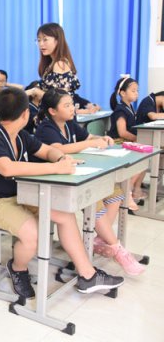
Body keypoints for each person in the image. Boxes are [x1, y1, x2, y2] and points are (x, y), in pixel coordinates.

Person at [0, 88, 124, 299]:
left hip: (17, 194)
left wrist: (61, 158)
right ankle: (18, 268)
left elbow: (47, 150)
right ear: (25, 114)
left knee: (65, 215)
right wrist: (55, 168)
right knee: (32, 233)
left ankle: (88, 275)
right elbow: (7, 168)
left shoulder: (20, 136)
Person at [34, 89, 144, 275]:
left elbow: (88, 137)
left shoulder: (69, 123)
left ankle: (101, 238)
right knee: (95, 201)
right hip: (55, 182)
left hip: (75, 174)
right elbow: (59, 149)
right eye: (67, 105)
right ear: (52, 111)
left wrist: (101, 138)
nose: (72, 108)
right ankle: (117, 249)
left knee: (116, 194)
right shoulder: (46, 128)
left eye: (72, 104)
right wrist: (90, 144)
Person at [108, 77, 146, 201]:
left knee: (144, 160)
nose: (136, 93)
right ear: (123, 93)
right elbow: (122, 132)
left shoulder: (130, 108)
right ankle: (127, 193)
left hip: (126, 142)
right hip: (118, 143)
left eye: (137, 90)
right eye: (133, 91)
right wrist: (137, 139)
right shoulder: (120, 110)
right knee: (140, 162)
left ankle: (132, 190)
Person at [36, 23, 80, 94]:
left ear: (57, 40)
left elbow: (59, 97)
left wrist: (34, 92)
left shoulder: (60, 64)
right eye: (39, 40)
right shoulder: (51, 63)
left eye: (45, 39)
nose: (41, 44)